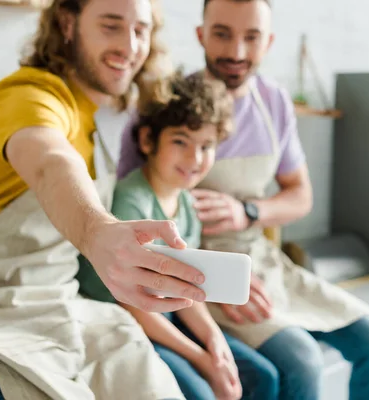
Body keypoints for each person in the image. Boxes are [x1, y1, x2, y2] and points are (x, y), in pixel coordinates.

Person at [117, 0, 369, 399]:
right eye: (222, 34)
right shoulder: (170, 105)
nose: (236, 52)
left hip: (264, 262)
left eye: (251, 37)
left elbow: (300, 197)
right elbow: (137, 212)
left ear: (268, 42)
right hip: (202, 271)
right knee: (301, 360)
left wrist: (248, 212)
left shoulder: (275, 103)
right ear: (201, 35)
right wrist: (222, 281)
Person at [0, 0, 207, 398]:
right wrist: (98, 231)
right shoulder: (28, 97)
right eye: (111, 26)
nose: (130, 47)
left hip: (64, 302)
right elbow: (50, 163)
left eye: (141, 30)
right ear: (67, 22)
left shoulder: (90, 120)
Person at [76, 72, 279, 400]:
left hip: (167, 316)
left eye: (206, 146)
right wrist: (201, 359)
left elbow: (190, 287)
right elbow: (136, 308)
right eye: (180, 141)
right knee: (201, 392)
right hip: (125, 321)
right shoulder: (133, 200)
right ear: (147, 141)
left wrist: (214, 340)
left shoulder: (186, 202)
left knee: (262, 377)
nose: (194, 159)